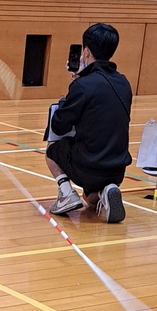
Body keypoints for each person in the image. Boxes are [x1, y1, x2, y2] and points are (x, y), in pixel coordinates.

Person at [44, 23, 131, 223]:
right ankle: (106, 191)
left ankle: (66, 192)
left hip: (88, 168)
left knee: (52, 146)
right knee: (89, 201)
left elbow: (59, 126)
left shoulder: (83, 85)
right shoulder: (124, 83)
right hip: (117, 170)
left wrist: (75, 84)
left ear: (86, 52)